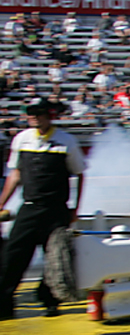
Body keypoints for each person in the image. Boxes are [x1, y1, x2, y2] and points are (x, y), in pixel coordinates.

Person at [0, 99, 86, 319]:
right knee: (12, 257)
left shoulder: (66, 141)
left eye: (39, 113)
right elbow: (15, 174)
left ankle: (49, 301)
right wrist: (1, 203)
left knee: (56, 259)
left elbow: (80, 174)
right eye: (31, 114)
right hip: (29, 208)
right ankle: (4, 303)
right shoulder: (22, 139)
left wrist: (75, 209)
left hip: (56, 210)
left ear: (49, 115)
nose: (34, 117)